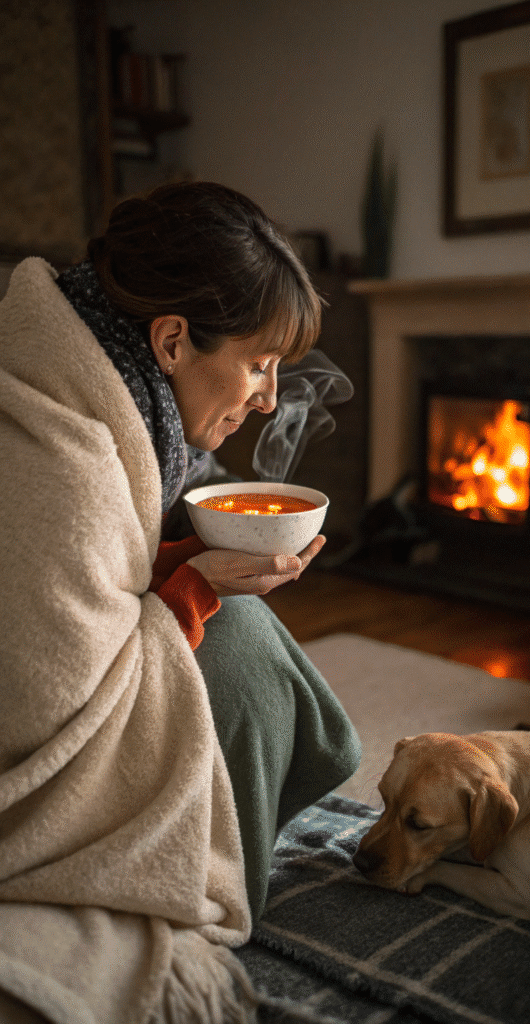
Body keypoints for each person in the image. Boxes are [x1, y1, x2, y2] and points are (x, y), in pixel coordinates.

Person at [0, 182, 361, 1023]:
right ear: (170, 340)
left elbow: (87, 586)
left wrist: (187, 560)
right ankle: (208, 906)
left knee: (243, 637)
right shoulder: (63, 456)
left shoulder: (103, 385)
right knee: (243, 656)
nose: (268, 398)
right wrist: (196, 588)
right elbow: (51, 702)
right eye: (258, 364)